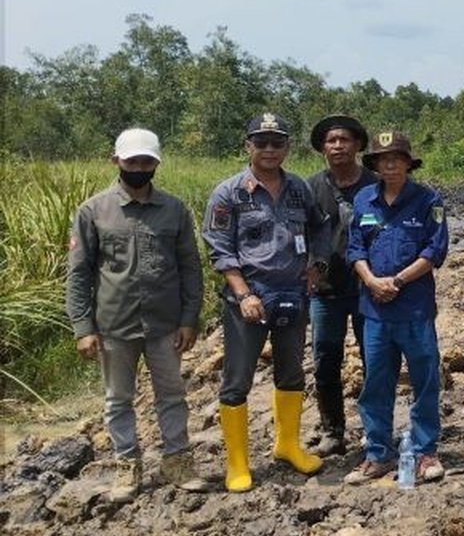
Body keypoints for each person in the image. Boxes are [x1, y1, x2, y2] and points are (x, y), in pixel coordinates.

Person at [65, 128, 212, 502]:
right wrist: (84, 327)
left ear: (156, 164)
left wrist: (188, 318)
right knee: (118, 399)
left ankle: (177, 460)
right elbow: (79, 273)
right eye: (132, 161)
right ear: (117, 161)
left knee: (172, 394)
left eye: (147, 162)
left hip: (165, 324)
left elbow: (189, 267)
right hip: (114, 324)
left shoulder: (174, 209)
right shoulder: (93, 210)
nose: (139, 168)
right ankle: (126, 465)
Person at [202, 113, 330, 492]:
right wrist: (243, 293)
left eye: (277, 142)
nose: (269, 149)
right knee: (237, 381)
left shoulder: (299, 189)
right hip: (250, 298)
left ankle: (287, 444)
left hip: (293, 294)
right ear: (248, 146)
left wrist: (317, 266)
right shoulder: (229, 193)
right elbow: (219, 247)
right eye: (262, 142)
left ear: (287, 147)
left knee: (291, 373)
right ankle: (238, 464)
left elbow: (320, 226)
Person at [343, 131, 450, 485]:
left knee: (425, 380)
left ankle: (425, 452)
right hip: (375, 310)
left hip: (415, 309)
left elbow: (434, 251)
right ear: (373, 164)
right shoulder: (363, 200)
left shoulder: (428, 200)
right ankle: (377, 454)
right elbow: (355, 249)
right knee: (376, 382)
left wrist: (398, 281)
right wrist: (372, 281)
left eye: (396, 158)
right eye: (382, 159)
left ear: (407, 162)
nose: (389, 164)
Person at [306, 114, 378, 456]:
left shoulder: (376, 185)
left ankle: (374, 428)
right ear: (322, 148)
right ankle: (332, 430)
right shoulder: (308, 188)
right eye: (331, 141)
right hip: (325, 290)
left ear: (358, 145)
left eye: (344, 140)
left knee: (374, 359)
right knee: (325, 359)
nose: (337, 146)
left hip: (369, 288)